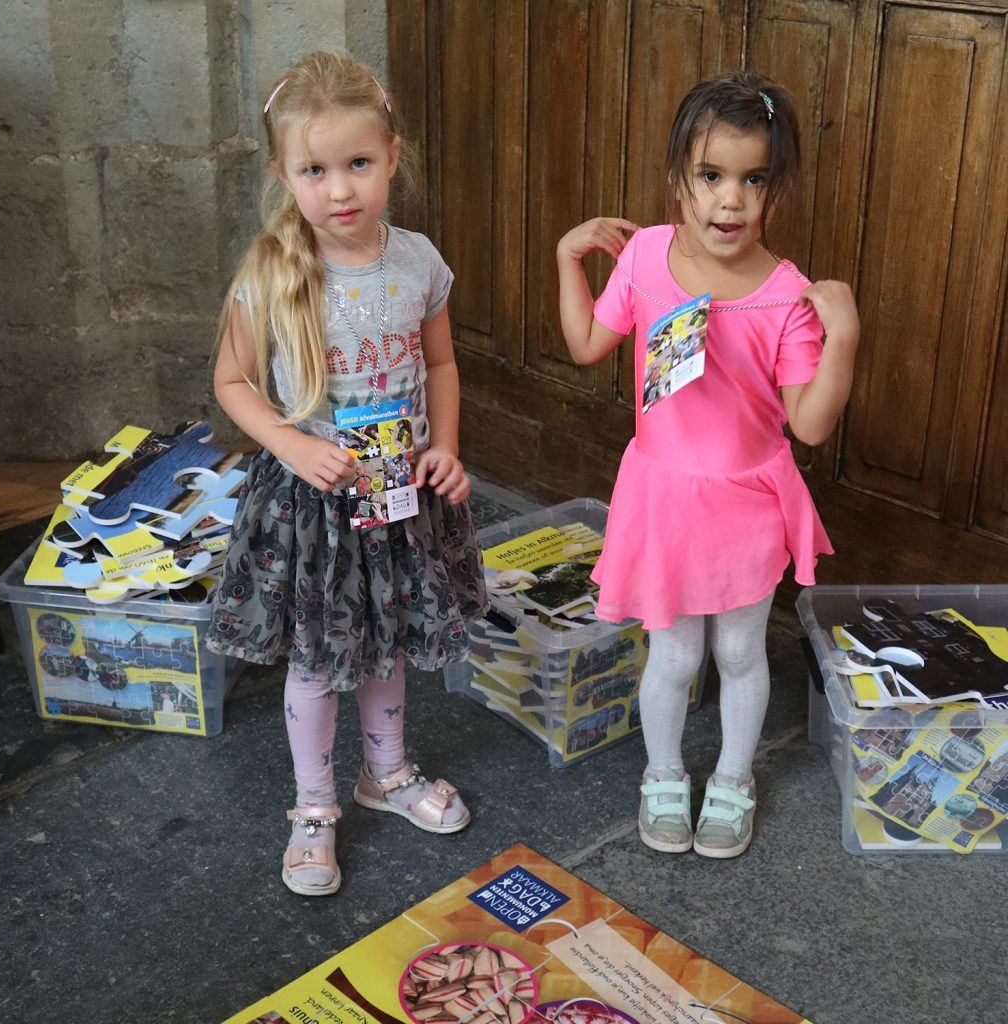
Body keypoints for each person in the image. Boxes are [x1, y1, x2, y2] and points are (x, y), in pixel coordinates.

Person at [206, 49, 488, 895]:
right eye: (316, 169)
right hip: (315, 504)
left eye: (358, 163)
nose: (340, 189)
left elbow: (440, 366)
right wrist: (290, 444)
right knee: (320, 661)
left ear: (392, 157)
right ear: (284, 175)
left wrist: (445, 446)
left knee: (389, 639)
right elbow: (230, 381)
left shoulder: (418, 263)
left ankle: (387, 774)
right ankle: (314, 805)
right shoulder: (273, 273)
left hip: (398, 495)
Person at [557, 72, 859, 858]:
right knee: (676, 652)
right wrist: (567, 260)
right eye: (711, 177)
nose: (730, 201)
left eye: (752, 180)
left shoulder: (786, 294)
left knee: (738, 651)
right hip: (663, 493)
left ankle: (732, 778)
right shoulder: (648, 257)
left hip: (746, 503)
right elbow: (588, 346)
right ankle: (663, 772)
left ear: (776, 188)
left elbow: (811, 426)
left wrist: (845, 340)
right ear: (677, 181)